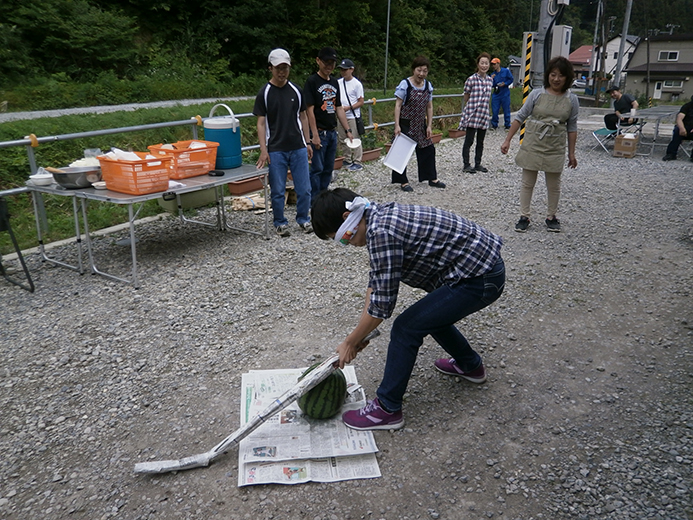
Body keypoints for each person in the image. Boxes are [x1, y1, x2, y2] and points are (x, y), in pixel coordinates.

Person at [310, 188, 504, 430]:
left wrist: (350, 342)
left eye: (342, 237)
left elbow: (382, 305)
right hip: (478, 270)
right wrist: (360, 335)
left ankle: (387, 408)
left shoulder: (381, 231)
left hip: (480, 277)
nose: (347, 243)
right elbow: (376, 284)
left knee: (406, 327)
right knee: (427, 316)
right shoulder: (376, 216)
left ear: (347, 219)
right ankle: (470, 365)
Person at [500, 55, 579, 233]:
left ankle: (551, 216)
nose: (556, 79)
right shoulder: (536, 94)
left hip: (555, 145)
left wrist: (572, 154)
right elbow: (520, 117)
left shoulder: (572, 99)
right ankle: (524, 216)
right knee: (527, 182)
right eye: (553, 74)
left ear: (567, 78)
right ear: (548, 75)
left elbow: (572, 127)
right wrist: (507, 140)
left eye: (560, 75)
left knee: (554, 184)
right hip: (533, 142)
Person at [253, 48, 313, 238]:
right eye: (278, 68)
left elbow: (303, 117)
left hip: (298, 146)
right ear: (270, 68)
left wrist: (308, 141)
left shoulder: (296, 90)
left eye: (285, 68)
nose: (282, 72)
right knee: (278, 190)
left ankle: (303, 219)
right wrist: (264, 150)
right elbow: (261, 123)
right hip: (276, 148)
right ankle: (280, 222)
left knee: (304, 188)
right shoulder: (265, 92)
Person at [304, 47, 353, 199]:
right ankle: (314, 200)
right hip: (319, 131)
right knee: (317, 168)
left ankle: (323, 197)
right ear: (318, 61)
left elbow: (338, 108)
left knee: (328, 168)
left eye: (332, 63)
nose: (329, 66)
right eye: (326, 62)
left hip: (332, 131)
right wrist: (314, 135)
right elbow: (309, 110)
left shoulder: (334, 82)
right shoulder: (312, 82)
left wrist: (348, 130)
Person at [392, 55, 445, 192]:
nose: (421, 74)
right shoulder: (405, 85)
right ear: (413, 69)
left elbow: (429, 107)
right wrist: (397, 125)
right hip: (406, 123)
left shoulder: (428, 86)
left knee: (428, 149)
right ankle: (402, 181)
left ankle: (432, 178)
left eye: (425, 71)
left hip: (420, 123)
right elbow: (398, 106)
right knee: (401, 152)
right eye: (419, 70)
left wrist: (429, 125)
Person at [458, 53, 493, 173]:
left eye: (486, 63)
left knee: (480, 141)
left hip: (483, 114)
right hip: (473, 114)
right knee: (469, 140)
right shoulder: (471, 79)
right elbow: (466, 96)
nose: (484, 65)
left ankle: (478, 163)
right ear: (478, 64)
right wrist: (470, 108)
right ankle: (466, 164)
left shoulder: (490, 80)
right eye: (482, 63)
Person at [337, 58, 365, 171]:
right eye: (342, 70)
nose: (343, 72)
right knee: (342, 138)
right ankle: (347, 159)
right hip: (341, 114)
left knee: (354, 138)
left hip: (352, 115)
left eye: (345, 70)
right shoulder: (338, 82)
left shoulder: (357, 84)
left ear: (351, 70)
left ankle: (358, 160)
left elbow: (361, 101)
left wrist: (349, 108)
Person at [662, 97, 693, 161]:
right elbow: (679, 118)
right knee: (677, 130)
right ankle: (671, 154)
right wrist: (682, 128)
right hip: (685, 128)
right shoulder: (687, 106)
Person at [490, 57, 514, 130]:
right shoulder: (492, 74)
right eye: (492, 64)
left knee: (506, 109)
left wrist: (505, 83)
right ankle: (494, 125)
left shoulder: (506, 71)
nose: (493, 66)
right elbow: (491, 84)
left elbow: (511, 79)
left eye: (494, 64)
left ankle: (507, 125)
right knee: (495, 110)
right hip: (496, 93)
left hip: (505, 93)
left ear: (498, 64)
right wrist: (491, 79)